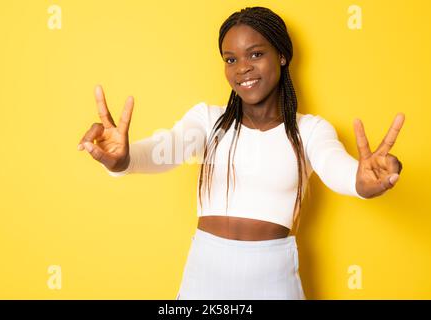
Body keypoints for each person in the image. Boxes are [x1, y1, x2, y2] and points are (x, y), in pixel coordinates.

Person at [77, 6, 404, 300]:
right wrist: (123, 159)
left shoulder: (311, 131)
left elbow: (338, 168)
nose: (242, 68)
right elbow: (164, 151)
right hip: (203, 278)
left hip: (273, 280)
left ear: (281, 56)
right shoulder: (207, 120)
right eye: (230, 59)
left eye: (255, 54)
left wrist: (361, 181)